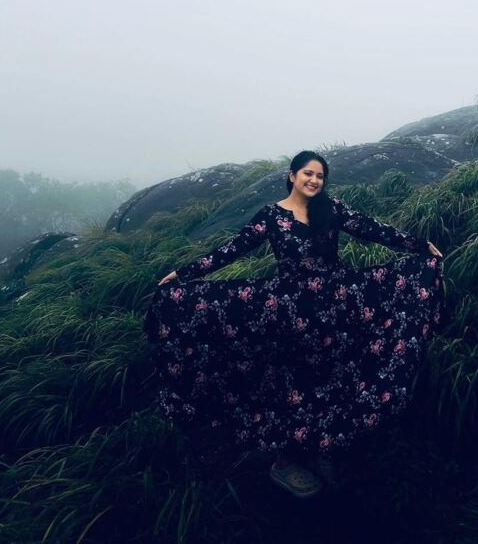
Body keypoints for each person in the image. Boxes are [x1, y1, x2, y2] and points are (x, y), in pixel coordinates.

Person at [144, 150, 443, 498]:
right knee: (293, 380)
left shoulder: (332, 209)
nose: (314, 180)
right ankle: (285, 461)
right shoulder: (272, 216)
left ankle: (326, 448)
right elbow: (231, 250)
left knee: (334, 375)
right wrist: (183, 274)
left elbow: (374, 230)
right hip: (291, 312)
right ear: (292, 176)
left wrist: (420, 247)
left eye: (320, 176)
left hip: (336, 307)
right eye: (308, 173)